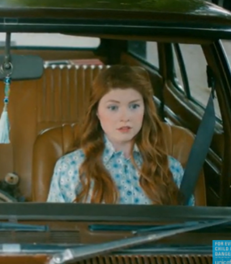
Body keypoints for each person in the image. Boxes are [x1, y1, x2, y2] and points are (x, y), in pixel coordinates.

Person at [47, 65, 194, 205]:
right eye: (113, 107)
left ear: (145, 110)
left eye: (134, 106)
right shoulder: (70, 168)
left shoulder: (170, 169)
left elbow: (188, 227)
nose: (125, 117)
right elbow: (56, 227)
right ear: (97, 112)